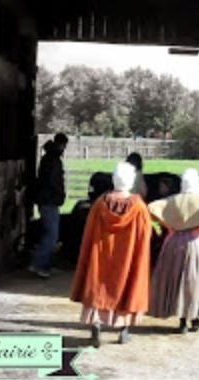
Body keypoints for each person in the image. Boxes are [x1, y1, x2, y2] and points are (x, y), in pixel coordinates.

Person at [70, 162, 152, 347]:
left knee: (98, 288)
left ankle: (96, 329)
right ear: (131, 181)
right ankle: (123, 331)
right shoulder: (139, 207)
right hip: (127, 259)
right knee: (126, 288)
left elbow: (89, 233)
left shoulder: (100, 204)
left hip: (101, 258)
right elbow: (145, 236)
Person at [148, 169, 199, 334]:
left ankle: (182, 321)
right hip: (198, 242)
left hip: (174, 242)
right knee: (196, 280)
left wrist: (169, 225)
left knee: (177, 280)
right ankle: (195, 318)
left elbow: (152, 208)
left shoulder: (172, 200)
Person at [27, 133, 68, 278]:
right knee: (52, 235)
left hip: (45, 200)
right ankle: (39, 264)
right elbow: (54, 182)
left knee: (49, 233)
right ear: (62, 144)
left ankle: (43, 263)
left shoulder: (47, 158)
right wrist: (60, 196)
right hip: (49, 200)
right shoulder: (54, 160)